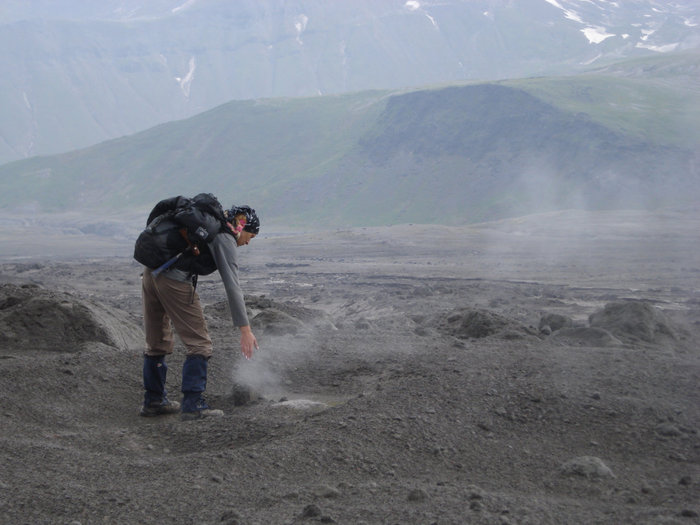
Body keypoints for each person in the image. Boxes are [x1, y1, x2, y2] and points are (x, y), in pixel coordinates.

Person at [138, 200, 260, 420]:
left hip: (150, 273)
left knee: (156, 341)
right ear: (243, 227)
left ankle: (154, 401)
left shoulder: (205, 222)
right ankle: (193, 405)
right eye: (250, 236)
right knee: (200, 344)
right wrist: (245, 330)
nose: (248, 242)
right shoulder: (225, 237)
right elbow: (232, 285)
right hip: (174, 280)